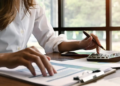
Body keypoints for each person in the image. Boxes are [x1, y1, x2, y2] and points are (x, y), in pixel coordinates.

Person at [0, 0, 101, 77]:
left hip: (20, 74)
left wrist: (80, 44)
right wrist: (5, 58)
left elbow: (50, 40)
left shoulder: (32, 6)